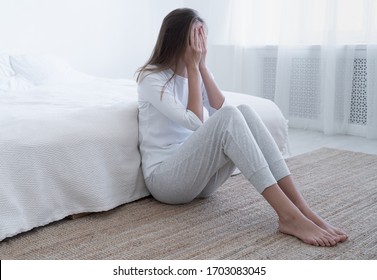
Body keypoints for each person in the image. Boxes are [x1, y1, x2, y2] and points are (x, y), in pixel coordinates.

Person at [136, 8, 347, 247]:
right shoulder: (150, 78)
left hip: (199, 183)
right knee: (230, 117)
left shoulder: (197, 72)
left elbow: (224, 109)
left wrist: (202, 68)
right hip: (166, 182)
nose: (201, 44)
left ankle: (302, 208)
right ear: (177, 40)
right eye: (196, 38)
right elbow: (196, 122)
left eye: (203, 37)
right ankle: (289, 216)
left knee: (243, 111)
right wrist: (194, 69)